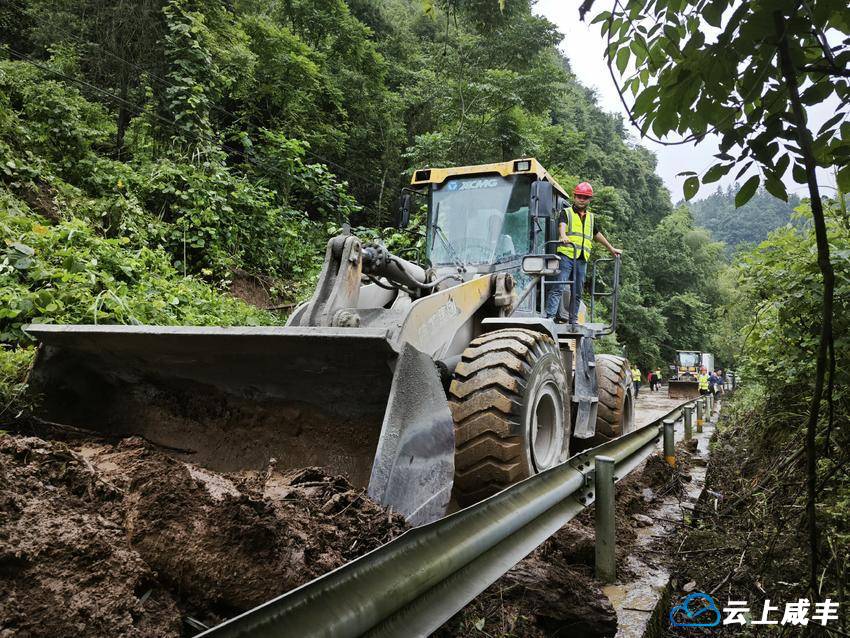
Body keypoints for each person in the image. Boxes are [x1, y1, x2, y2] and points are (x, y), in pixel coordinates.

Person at [545, 182, 622, 322]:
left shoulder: (591, 218)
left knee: (577, 292)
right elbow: (562, 225)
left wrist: (611, 249)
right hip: (567, 256)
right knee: (559, 287)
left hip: (581, 259)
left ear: (589, 200)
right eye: (579, 196)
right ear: (574, 197)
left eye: (585, 197)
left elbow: (597, 234)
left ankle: (573, 320)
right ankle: (549, 317)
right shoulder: (566, 212)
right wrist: (563, 235)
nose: (581, 199)